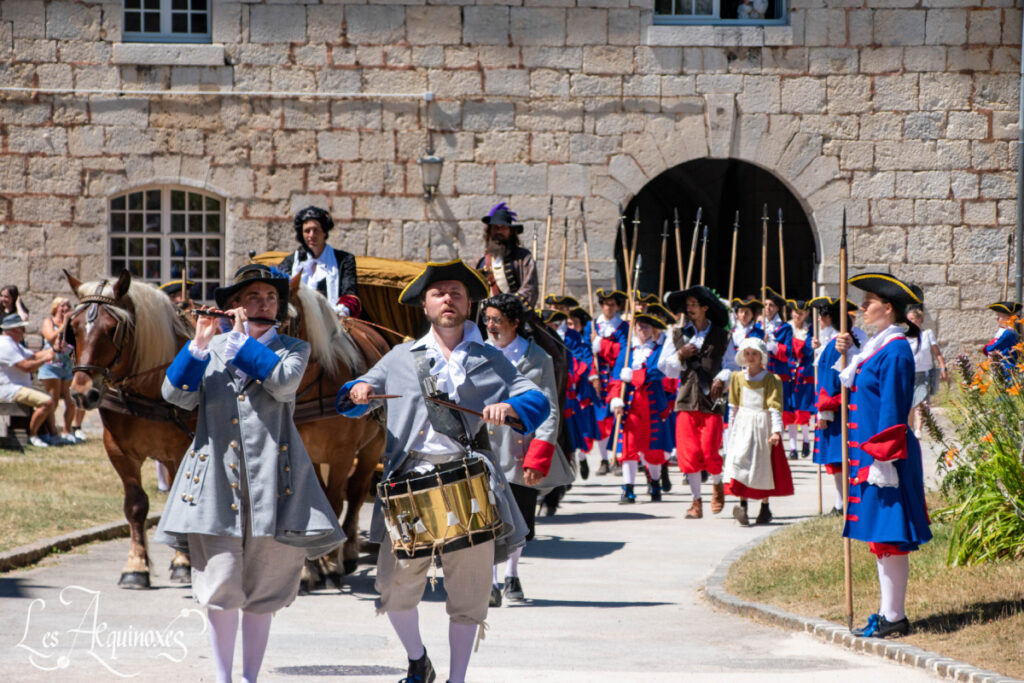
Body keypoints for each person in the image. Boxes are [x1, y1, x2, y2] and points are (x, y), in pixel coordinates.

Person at [335, 259, 549, 683]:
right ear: (425, 305)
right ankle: (419, 660)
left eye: (456, 293)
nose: (447, 299)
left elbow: (536, 400)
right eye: (438, 294)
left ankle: (457, 679)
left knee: (469, 596)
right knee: (394, 589)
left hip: (469, 483)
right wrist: (358, 390)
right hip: (408, 484)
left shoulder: (491, 358)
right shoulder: (400, 357)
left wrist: (510, 406)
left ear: (468, 304)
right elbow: (353, 395)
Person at [155, 264, 345, 683]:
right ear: (236, 304)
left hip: (276, 484)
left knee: (264, 590)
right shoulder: (211, 347)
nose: (265, 303)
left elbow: (282, 384)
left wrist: (239, 340)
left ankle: (250, 678)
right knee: (220, 586)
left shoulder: (293, 348)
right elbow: (175, 396)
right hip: (213, 484)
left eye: (271, 297)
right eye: (254, 296)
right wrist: (199, 344)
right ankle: (223, 678)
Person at [834, 273, 932, 638]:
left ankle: (894, 616)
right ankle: (887, 611)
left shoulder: (895, 350)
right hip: (874, 455)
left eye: (869, 302)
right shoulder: (877, 346)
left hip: (886, 457)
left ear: (888, 308)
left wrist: (883, 459)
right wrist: (844, 347)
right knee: (880, 536)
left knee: (889, 536)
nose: (862, 307)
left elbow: (893, 409)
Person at [483, 294, 561, 606]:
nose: (490, 325)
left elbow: (550, 410)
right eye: (487, 319)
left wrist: (538, 457)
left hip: (520, 449)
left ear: (515, 323)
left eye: (497, 320)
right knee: (487, 517)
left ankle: (512, 574)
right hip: (485, 448)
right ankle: (490, 580)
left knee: (519, 519)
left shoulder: (538, 358)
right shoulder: (477, 354)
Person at [658, 285, 731, 519]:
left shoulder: (723, 335)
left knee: (710, 451)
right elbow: (664, 367)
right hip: (686, 400)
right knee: (688, 454)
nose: (689, 309)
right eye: (687, 305)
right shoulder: (677, 334)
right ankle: (696, 501)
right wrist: (680, 355)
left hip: (713, 400)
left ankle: (717, 485)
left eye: (693, 305)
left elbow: (732, 365)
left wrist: (722, 378)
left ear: (705, 307)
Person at [723, 337, 793, 526]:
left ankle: (764, 507)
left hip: (762, 425)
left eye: (755, 353)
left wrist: (776, 431)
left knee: (761, 465)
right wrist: (730, 431)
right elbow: (733, 407)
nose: (751, 357)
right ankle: (742, 506)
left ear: (762, 356)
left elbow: (775, 408)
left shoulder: (771, 379)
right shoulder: (737, 378)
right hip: (743, 424)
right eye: (747, 353)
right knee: (740, 462)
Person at [606, 313, 670, 503]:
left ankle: (655, 483)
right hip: (630, 406)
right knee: (629, 447)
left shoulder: (659, 350)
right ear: (634, 328)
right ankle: (628, 488)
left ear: (653, 330)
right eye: (639, 326)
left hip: (652, 405)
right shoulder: (627, 351)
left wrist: (633, 376)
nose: (642, 330)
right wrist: (616, 399)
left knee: (653, 449)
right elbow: (616, 376)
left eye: (647, 327)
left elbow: (657, 372)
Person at [812, 297, 868, 516]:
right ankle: (840, 502)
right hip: (842, 407)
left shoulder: (839, 345)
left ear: (829, 318)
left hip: (837, 410)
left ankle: (842, 503)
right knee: (839, 459)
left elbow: (829, 382)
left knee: (840, 458)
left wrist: (824, 411)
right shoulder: (841, 342)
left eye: (823, 316)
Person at [540, 307, 599, 479]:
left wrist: (573, 376)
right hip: (544, 389)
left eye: (552, 323)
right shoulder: (536, 341)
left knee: (569, 432)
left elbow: (575, 361)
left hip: (566, 388)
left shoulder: (565, 339)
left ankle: (576, 460)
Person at [278, 206, 360, 317]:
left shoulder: (344, 260)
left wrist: (339, 312)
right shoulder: (291, 262)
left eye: (316, 230)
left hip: (333, 319)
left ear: (324, 232)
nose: (311, 235)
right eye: (307, 231)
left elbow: (350, 296)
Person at [0, 314, 56, 448]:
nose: (24, 332)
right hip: (9, 389)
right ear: (15, 330)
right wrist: (46, 358)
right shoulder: (5, 345)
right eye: (22, 329)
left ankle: (47, 434)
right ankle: (32, 435)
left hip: (17, 387)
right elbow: (26, 367)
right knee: (47, 402)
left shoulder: (13, 344)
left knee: (48, 398)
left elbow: (33, 356)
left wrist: (53, 350)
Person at [590, 288, 630, 476]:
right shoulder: (592, 327)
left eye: (612, 305)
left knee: (618, 418)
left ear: (617, 306)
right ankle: (604, 459)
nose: (608, 308)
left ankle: (618, 458)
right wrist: (593, 375)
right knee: (600, 420)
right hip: (598, 378)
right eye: (605, 304)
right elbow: (587, 354)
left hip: (615, 377)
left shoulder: (624, 327)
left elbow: (623, 353)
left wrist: (603, 345)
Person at [39, 297, 85, 445]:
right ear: (55, 308)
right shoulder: (49, 321)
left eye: (67, 305)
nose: (65, 308)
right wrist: (64, 324)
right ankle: (52, 433)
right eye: (62, 305)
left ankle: (67, 431)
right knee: (53, 402)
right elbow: (51, 337)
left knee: (71, 402)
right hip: (51, 366)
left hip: (67, 366)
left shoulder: (72, 324)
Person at [476, 202, 539, 308]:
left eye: (503, 228)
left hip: (512, 314)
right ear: (489, 230)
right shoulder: (480, 260)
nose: (499, 231)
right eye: (495, 227)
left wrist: (508, 308)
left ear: (511, 231)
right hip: (485, 315)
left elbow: (530, 289)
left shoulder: (523, 258)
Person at [905, 304, 948, 435]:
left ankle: (918, 429)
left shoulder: (927, 334)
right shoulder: (905, 336)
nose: (909, 322)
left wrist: (943, 368)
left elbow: (937, 352)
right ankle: (910, 429)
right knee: (910, 403)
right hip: (908, 373)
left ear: (919, 320)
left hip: (924, 373)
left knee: (921, 402)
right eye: (908, 319)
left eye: (912, 319)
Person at [784, 299, 815, 460]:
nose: (798, 316)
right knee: (789, 412)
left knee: (802, 411)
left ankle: (806, 441)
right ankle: (792, 448)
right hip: (789, 374)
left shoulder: (810, 330)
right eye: (796, 312)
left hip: (804, 375)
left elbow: (808, 350)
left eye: (802, 313)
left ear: (807, 313)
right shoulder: (786, 328)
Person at [983, 301, 1020, 374]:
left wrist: (986, 348)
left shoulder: (1008, 333)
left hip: (1008, 366)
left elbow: (994, 347)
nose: (997, 319)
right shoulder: (1012, 331)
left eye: (999, 317)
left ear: (1008, 319)